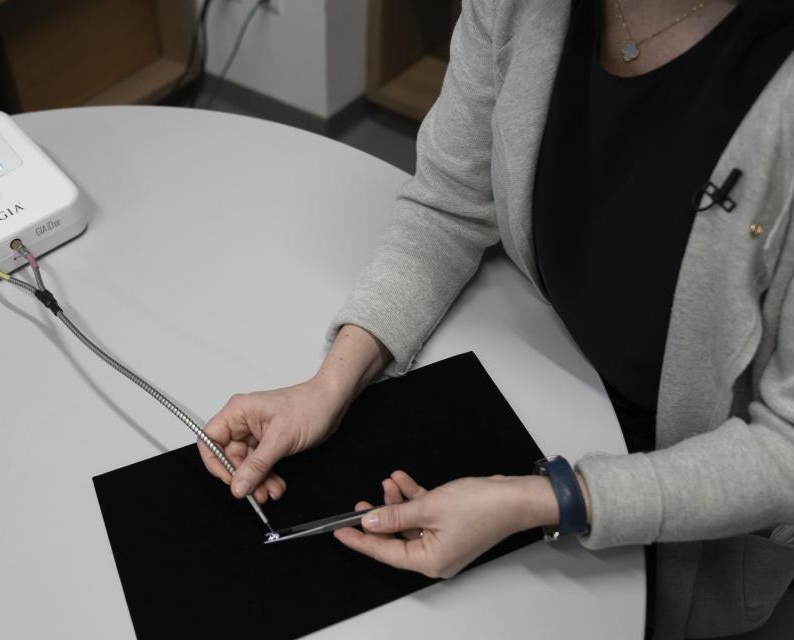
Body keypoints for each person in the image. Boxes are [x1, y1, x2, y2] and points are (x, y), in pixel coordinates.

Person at [197, 1, 794, 638]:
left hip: (688, 510)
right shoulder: (519, 8)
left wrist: (547, 500)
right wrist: (327, 386)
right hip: (539, 399)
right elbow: (449, 206)